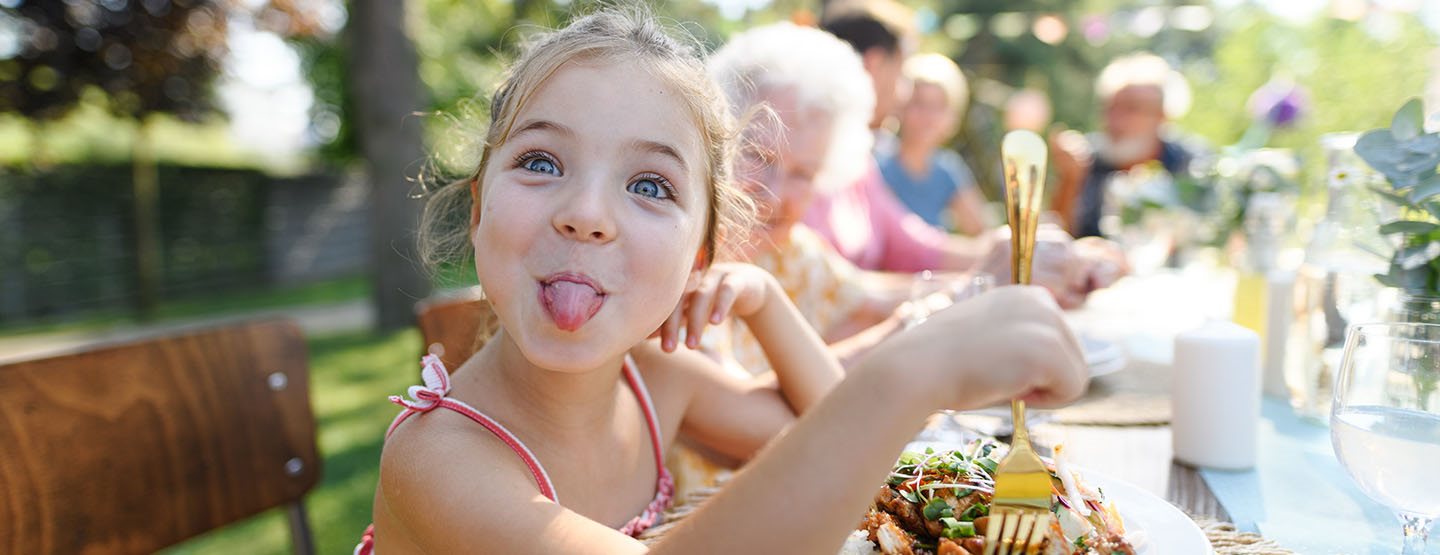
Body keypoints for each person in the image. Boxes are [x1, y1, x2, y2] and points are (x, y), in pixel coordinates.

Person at [358, 8, 1086, 553]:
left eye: (648, 184)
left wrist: (766, 303)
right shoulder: (437, 455)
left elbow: (834, 446)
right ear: (480, 205)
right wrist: (915, 368)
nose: (586, 215)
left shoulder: (655, 379)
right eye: (543, 162)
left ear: (700, 256)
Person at [1051, 53, 1197, 238]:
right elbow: (1058, 240)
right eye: (1110, 108)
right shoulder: (1086, 160)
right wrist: (1069, 181)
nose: (1115, 121)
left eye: (1132, 108)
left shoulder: (1190, 166)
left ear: (1162, 116)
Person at [878, 52, 989, 236]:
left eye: (938, 107)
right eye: (919, 104)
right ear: (901, 107)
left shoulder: (948, 169)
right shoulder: (878, 166)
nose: (928, 117)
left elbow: (981, 231)